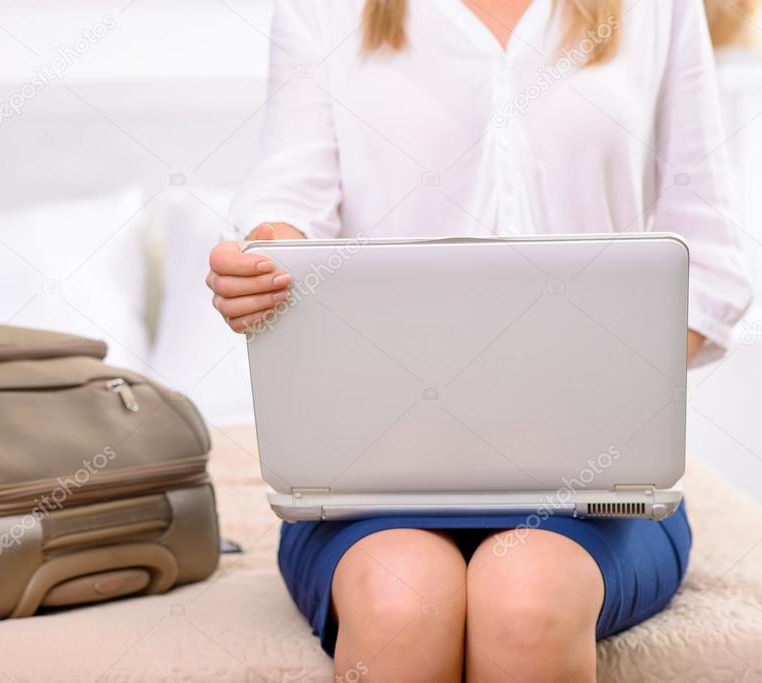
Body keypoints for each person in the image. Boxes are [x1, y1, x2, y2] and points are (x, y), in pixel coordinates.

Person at [205, 1, 754, 681]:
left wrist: (607, 391)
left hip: (593, 487)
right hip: (371, 481)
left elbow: (713, 257)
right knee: (402, 600)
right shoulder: (323, 11)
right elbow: (289, 203)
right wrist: (262, 263)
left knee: (523, 598)